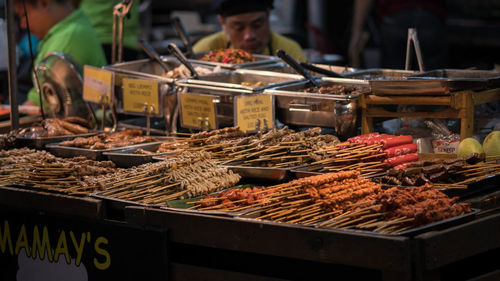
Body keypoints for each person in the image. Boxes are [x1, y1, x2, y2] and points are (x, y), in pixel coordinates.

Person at [13, 0, 106, 106]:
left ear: (44, 3)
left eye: (24, 15)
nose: (23, 25)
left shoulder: (70, 37)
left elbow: (41, 102)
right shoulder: (63, 33)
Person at [193, 0, 306, 62]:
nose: (249, 36)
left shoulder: (290, 51)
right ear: (222, 22)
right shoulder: (206, 49)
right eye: (239, 28)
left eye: (257, 25)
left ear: (268, 15)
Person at [348, 0, 447, 70]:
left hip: (395, 17)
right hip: (429, 15)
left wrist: (356, 31)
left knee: (394, 82)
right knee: (433, 81)